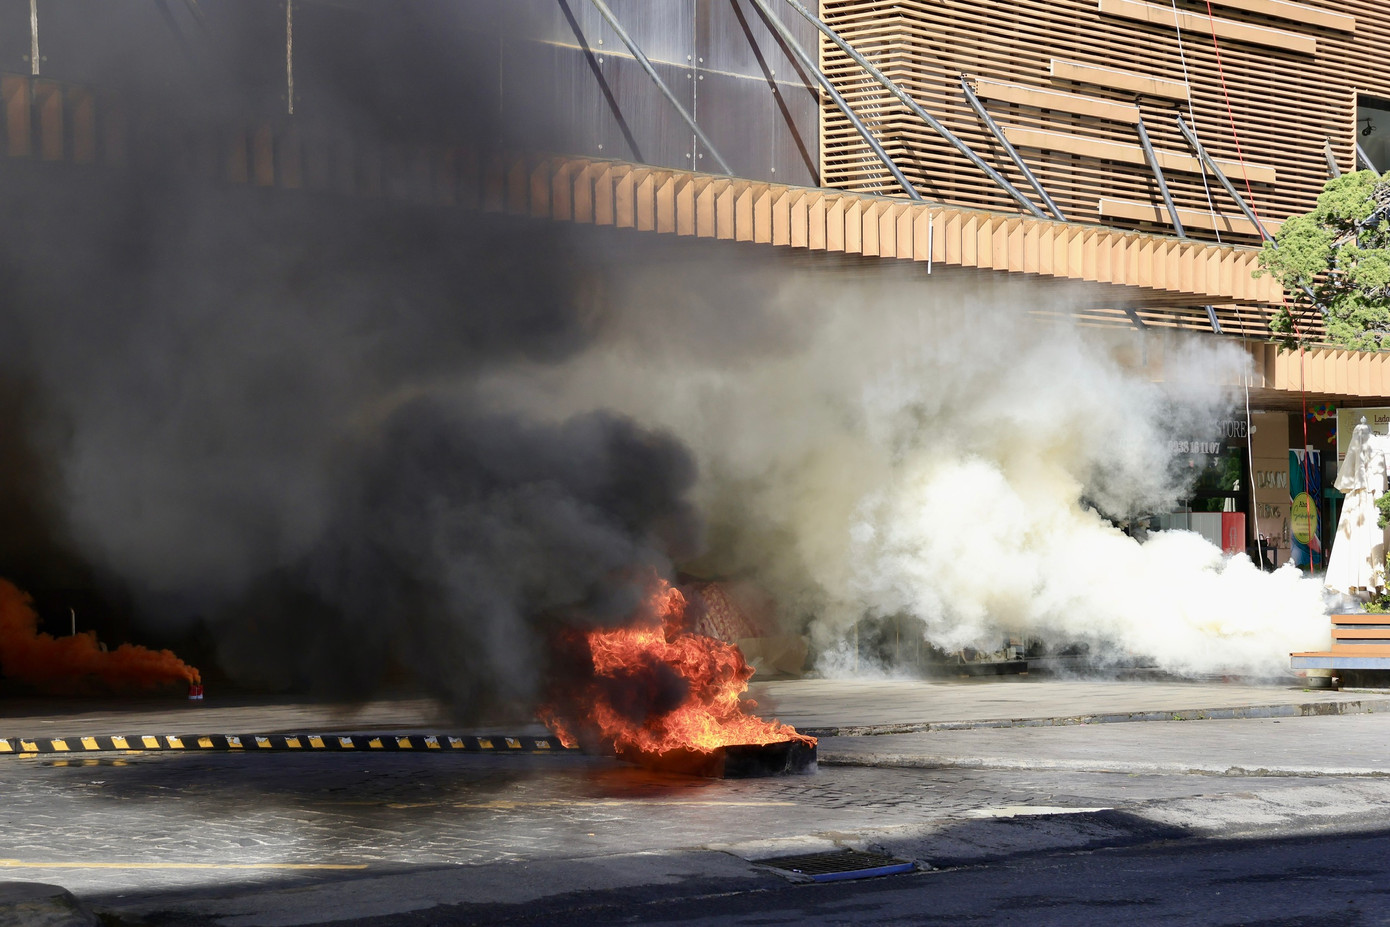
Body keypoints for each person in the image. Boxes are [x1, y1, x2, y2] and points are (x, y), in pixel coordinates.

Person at [1325, 417, 1390, 596]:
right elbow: (1381, 480)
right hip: (1374, 498)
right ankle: (1376, 582)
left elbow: (1346, 478)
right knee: (1374, 539)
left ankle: (1359, 582)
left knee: (1356, 540)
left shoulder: (1353, 502)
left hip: (1364, 498)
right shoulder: (1378, 451)